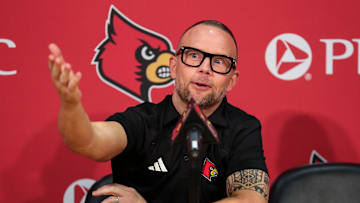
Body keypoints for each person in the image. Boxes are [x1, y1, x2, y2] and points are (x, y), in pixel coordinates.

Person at [48, 20, 269, 203]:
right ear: (174, 66)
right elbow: (88, 142)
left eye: (219, 62)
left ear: (231, 80)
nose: (205, 68)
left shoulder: (243, 128)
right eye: (193, 56)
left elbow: (251, 200)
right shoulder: (142, 121)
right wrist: (71, 106)